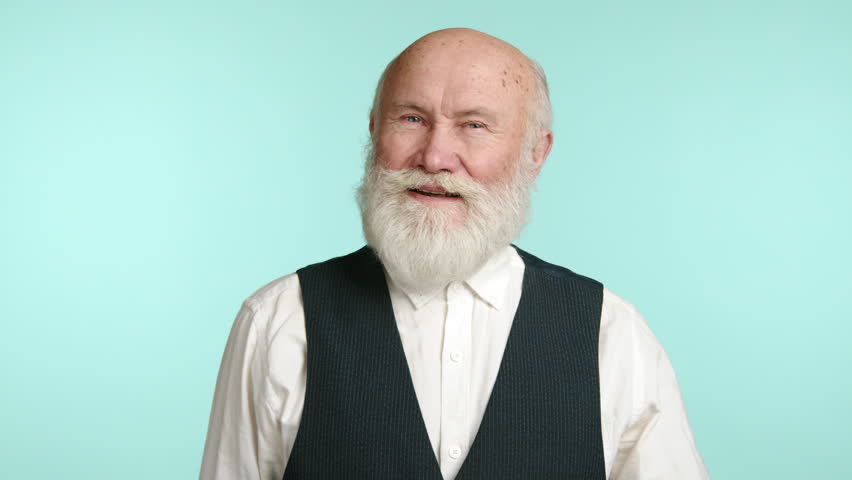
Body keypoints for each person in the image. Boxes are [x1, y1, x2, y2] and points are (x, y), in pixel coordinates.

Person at [200, 28, 710, 480]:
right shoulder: (279, 322)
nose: (436, 157)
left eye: (474, 125)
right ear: (375, 131)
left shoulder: (612, 336)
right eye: (412, 117)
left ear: (536, 153)